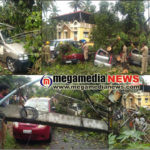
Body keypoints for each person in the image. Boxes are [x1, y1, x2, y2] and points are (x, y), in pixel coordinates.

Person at [0, 84, 9, 148]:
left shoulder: (4, 98)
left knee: (3, 137)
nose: (8, 91)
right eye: (7, 90)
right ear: (3, 90)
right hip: (1, 120)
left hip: (4, 120)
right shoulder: (0, 98)